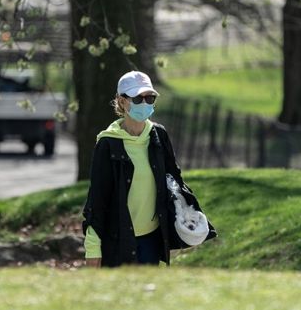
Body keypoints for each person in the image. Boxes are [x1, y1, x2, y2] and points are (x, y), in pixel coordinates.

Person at [82, 71, 217, 268]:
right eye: (138, 98)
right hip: (117, 242)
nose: (145, 103)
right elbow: (97, 200)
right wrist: (93, 248)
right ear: (122, 102)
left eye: (150, 97)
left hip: (152, 241)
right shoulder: (108, 144)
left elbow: (175, 181)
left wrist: (188, 217)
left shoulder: (158, 136)